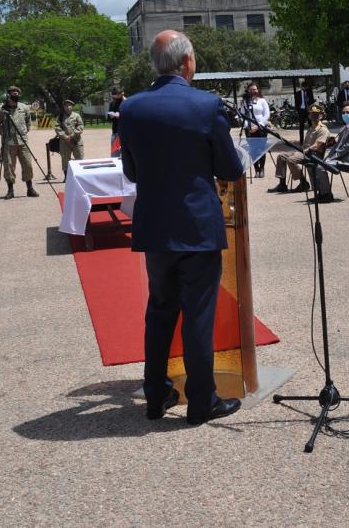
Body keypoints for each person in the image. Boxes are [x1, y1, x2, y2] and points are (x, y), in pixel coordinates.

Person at [118, 29, 245, 426]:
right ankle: (201, 402)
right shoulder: (206, 106)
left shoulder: (132, 108)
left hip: (156, 227)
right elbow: (229, 169)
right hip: (197, 227)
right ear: (187, 61)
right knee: (198, 315)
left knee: (159, 311)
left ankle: (156, 394)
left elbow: (132, 171)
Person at [269, 103, 330, 193]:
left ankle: (303, 182)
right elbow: (305, 144)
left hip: (313, 154)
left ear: (321, 116)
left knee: (291, 159)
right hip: (304, 152)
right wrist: (299, 150)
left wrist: (304, 151)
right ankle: (282, 184)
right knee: (281, 156)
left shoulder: (323, 129)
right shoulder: (311, 128)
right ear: (309, 116)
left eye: (316, 115)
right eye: (312, 114)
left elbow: (317, 145)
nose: (314, 116)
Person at [309, 102, 349, 203]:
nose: (345, 115)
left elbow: (346, 148)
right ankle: (321, 193)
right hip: (337, 158)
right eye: (343, 113)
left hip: (346, 160)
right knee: (316, 163)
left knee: (320, 167)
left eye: (347, 112)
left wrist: (331, 158)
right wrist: (329, 150)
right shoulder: (344, 128)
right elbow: (337, 146)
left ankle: (327, 195)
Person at [0, 85, 38, 199]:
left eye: (18, 92)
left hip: (23, 142)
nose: (16, 93)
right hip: (8, 143)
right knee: (9, 167)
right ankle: (10, 190)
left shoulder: (24, 107)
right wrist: (5, 135)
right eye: (13, 92)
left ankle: (30, 189)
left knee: (28, 164)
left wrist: (23, 133)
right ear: (8, 94)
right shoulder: (1, 109)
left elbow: (28, 122)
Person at [241, 82, 270, 177]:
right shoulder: (244, 102)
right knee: (253, 150)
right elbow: (242, 115)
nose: (253, 91)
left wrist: (259, 126)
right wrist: (248, 127)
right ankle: (256, 169)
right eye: (251, 89)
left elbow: (267, 115)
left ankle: (262, 169)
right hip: (249, 129)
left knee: (261, 149)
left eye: (254, 89)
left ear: (258, 90)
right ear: (248, 90)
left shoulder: (262, 101)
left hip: (261, 129)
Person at [54, 99, 84, 180]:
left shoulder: (76, 116)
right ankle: (67, 177)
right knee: (65, 160)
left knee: (79, 158)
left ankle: (80, 176)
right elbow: (57, 128)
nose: (68, 107)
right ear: (63, 107)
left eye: (69, 105)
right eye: (66, 106)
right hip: (64, 142)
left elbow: (80, 127)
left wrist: (72, 136)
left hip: (76, 141)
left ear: (72, 106)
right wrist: (65, 136)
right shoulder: (60, 117)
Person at [294, 80, 314, 144]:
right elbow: (296, 103)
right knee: (301, 126)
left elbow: (312, 101)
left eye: (306, 87)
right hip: (301, 110)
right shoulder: (298, 93)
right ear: (301, 87)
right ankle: (301, 141)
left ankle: (311, 140)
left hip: (308, 111)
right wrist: (298, 110)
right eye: (303, 87)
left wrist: (309, 100)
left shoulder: (309, 92)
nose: (304, 89)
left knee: (311, 126)